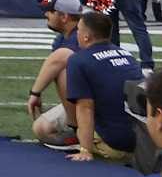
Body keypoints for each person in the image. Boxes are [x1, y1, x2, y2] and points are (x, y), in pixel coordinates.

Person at [39, 11, 147, 160]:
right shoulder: (127, 54)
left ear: (86, 36)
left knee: (42, 129)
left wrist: (85, 149)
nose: (76, 33)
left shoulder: (79, 60)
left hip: (113, 141)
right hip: (140, 137)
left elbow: (85, 107)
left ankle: (78, 136)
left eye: (79, 30)